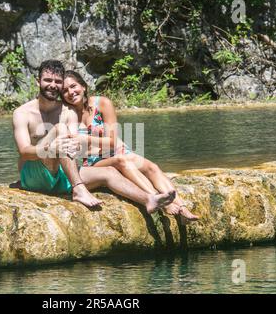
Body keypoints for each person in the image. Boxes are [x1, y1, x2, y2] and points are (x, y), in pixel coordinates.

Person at [12, 59, 175, 213]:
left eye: (57, 81)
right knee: (61, 129)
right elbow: (24, 152)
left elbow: (74, 146)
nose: (53, 85)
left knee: (109, 172)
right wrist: (49, 148)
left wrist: (76, 146)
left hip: (63, 175)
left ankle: (148, 199)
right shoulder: (22, 113)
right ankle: (79, 189)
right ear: (37, 81)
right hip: (34, 176)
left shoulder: (68, 112)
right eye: (48, 80)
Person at [62, 70, 199, 222]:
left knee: (151, 167)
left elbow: (113, 141)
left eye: (73, 86)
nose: (70, 92)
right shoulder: (67, 113)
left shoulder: (102, 103)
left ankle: (182, 207)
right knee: (121, 161)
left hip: (116, 149)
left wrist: (83, 138)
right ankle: (158, 200)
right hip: (94, 161)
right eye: (65, 91)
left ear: (83, 86)